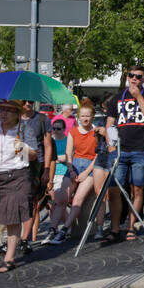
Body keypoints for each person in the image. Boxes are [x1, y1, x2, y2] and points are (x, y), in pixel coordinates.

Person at [103, 63, 144, 241]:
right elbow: (109, 125)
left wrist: (138, 98)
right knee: (115, 190)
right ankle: (114, 228)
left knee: (138, 189)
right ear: (127, 77)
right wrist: (111, 147)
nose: (134, 79)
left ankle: (131, 226)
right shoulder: (116, 99)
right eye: (132, 75)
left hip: (141, 150)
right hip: (121, 150)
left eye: (139, 76)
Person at [0, 100, 35, 272]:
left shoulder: (25, 129)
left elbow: (34, 155)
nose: (3, 114)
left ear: (17, 114)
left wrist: (22, 148)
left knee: (13, 216)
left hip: (16, 176)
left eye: (9, 111)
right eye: (2, 110)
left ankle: (9, 258)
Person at [46, 99, 104, 243]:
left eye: (88, 116)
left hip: (90, 167)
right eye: (82, 116)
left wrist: (86, 173)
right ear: (79, 116)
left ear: (92, 117)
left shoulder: (96, 132)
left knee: (78, 199)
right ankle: (52, 229)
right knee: (61, 198)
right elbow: (69, 154)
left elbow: (98, 156)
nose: (85, 118)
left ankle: (64, 229)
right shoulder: (72, 132)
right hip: (75, 165)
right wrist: (71, 171)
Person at [18, 100, 54, 249]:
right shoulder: (15, 119)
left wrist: (46, 170)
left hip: (36, 165)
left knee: (32, 202)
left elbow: (48, 145)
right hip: (17, 164)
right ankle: (17, 237)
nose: (27, 103)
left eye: (30, 101)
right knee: (17, 202)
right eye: (24, 101)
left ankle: (24, 239)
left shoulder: (42, 119)